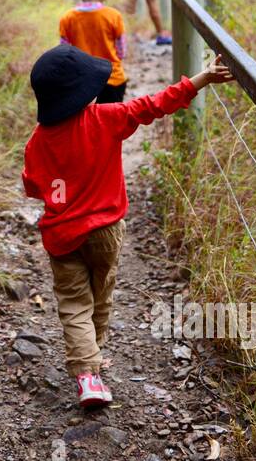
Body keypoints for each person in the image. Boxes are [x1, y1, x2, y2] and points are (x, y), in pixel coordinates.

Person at [21, 44, 234, 408]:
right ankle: (93, 362)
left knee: (73, 304)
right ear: (84, 92)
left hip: (61, 237)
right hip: (105, 231)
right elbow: (156, 104)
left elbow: (32, 186)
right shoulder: (106, 118)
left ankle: (87, 373)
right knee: (100, 297)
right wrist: (204, 78)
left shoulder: (37, 141)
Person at [59, 0, 128, 103]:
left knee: (85, 124)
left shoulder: (67, 18)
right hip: (112, 80)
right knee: (111, 122)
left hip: (80, 83)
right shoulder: (114, 16)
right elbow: (121, 53)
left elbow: (63, 53)